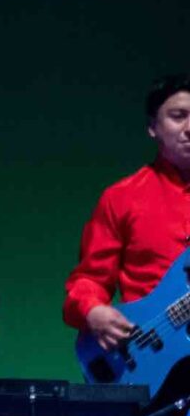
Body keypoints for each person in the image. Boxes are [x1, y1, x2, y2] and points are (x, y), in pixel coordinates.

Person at [66, 73, 190, 389]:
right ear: (152, 127)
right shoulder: (123, 198)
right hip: (152, 363)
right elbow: (88, 280)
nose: (189, 127)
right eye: (178, 116)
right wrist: (93, 311)